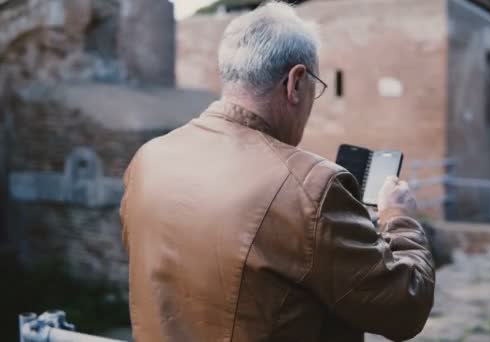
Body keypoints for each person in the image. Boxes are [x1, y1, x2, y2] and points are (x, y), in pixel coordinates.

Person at [120, 2, 434, 341]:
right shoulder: (312, 187)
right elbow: (404, 309)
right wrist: (400, 218)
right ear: (296, 82)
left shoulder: (148, 160)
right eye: (316, 88)